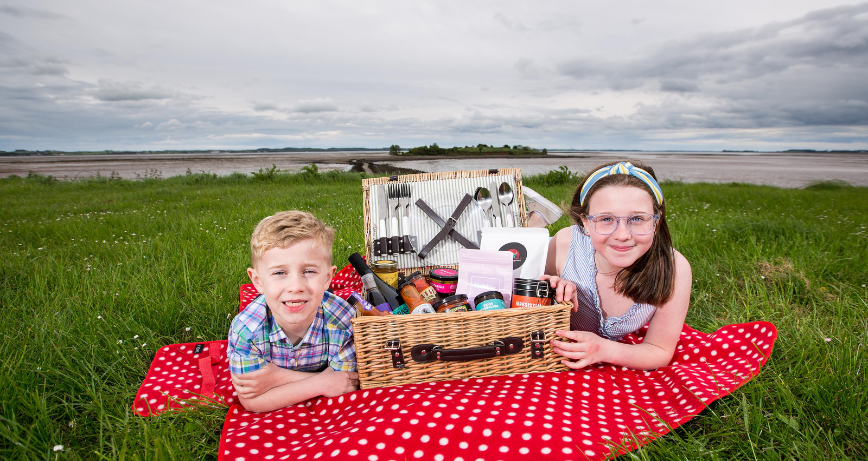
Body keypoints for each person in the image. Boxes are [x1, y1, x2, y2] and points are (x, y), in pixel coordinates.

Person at [542, 161, 692, 371]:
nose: (622, 235)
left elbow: (659, 350)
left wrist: (605, 350)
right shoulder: (564, 245)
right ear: (585, 222)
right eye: (606, 219)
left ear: (655, 222)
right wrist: (550, 286)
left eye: (638, 218)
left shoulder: (675, 269)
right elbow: (526, 304)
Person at [228, 211, 358, 412]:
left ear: (327, 277)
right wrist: (322, 382)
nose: (295, 286)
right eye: (280, 273)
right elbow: (252, 401)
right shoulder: (246, 330)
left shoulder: (345, 321)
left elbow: (346, 383)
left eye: (309, 271)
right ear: (257, 281)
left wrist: (276, 378)